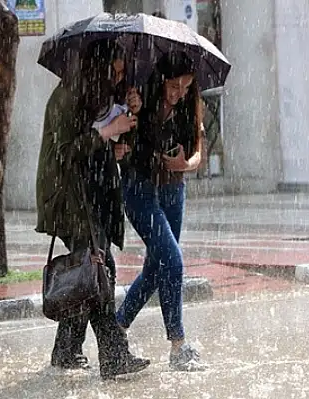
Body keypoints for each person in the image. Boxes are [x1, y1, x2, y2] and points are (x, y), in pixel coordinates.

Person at [35, 40, 147, 380]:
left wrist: (126, 123)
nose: (117, 77)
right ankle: (113, 355)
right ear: (96, 68)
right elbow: (67, 152)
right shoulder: (67, 97)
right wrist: (106, 133)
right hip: (70, 199)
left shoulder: (95, 97)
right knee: (98, 268)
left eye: (121, 72)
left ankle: (67, 351)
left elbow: (94, 144)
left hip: (92, 195)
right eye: (113, 71)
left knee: (89, 270)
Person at [116, 52, 207, 372]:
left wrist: (186, 164)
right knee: (173, 260)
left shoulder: (189, 105)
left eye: (185, 86)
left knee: (157, 269)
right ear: (161, 80)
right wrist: (136, 112)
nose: (179, 92)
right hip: (139, 189)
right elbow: (124, 141)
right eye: (173, 85)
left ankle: (116, 329)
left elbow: (198, 152)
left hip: (173, 189)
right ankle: (178, 344)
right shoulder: (141, 97)